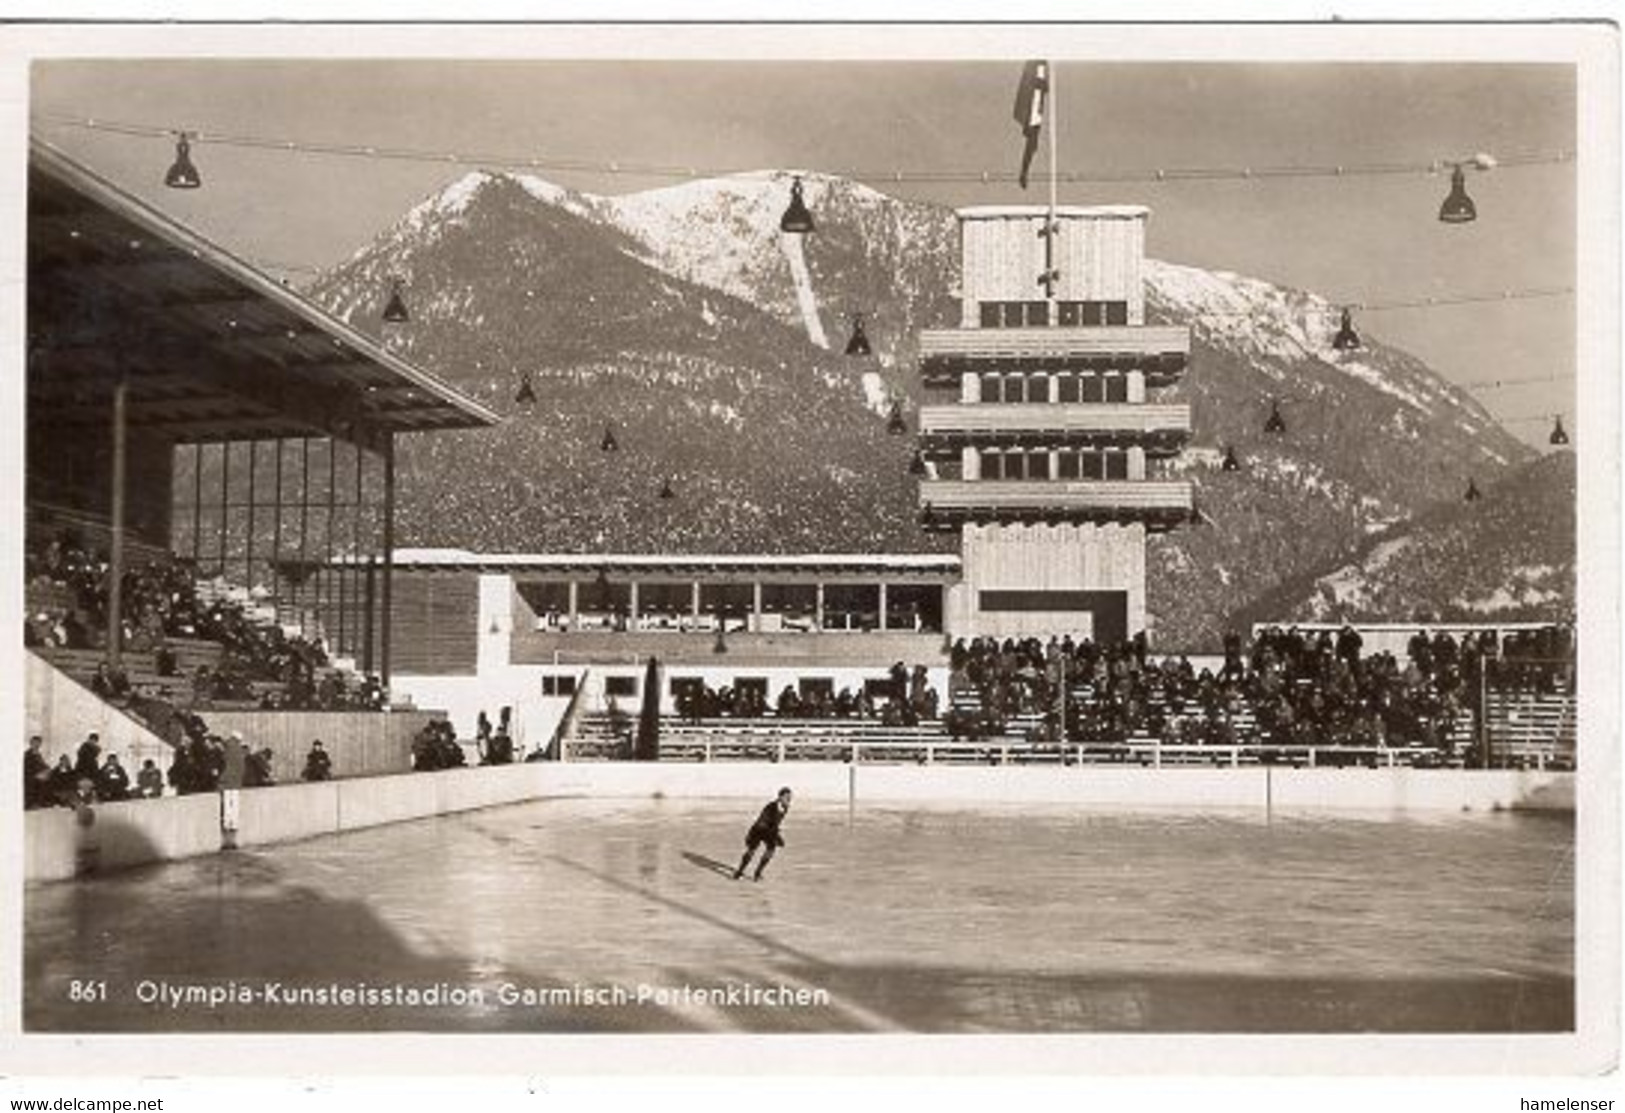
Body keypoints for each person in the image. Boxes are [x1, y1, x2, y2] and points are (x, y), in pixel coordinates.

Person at [733, 787, 793, 882]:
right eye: (786, 797)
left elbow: (776, 822)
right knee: (751, 851)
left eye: (790, 797)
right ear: (780, 797)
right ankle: (739, 872)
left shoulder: (785, 808)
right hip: (758, 830)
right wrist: (776, 835)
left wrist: (776, 833)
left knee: (771, 850)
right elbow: (762, 821)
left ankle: (757, 873)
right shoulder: (770, 806)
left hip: (769, 830)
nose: (789, 799)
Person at [24, 736, 52, 809]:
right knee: (38, 781)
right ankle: (32, 803)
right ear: (31, 743)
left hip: (39, 774)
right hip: (29, 776)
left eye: (39, 743)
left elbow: (43, 764)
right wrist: (36, 774)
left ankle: (44, 801)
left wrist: (48, 769)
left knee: (51, 778)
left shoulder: (38, 754)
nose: (37, 745)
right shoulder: (27, 754)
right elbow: (26, 768)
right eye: (35, 743)